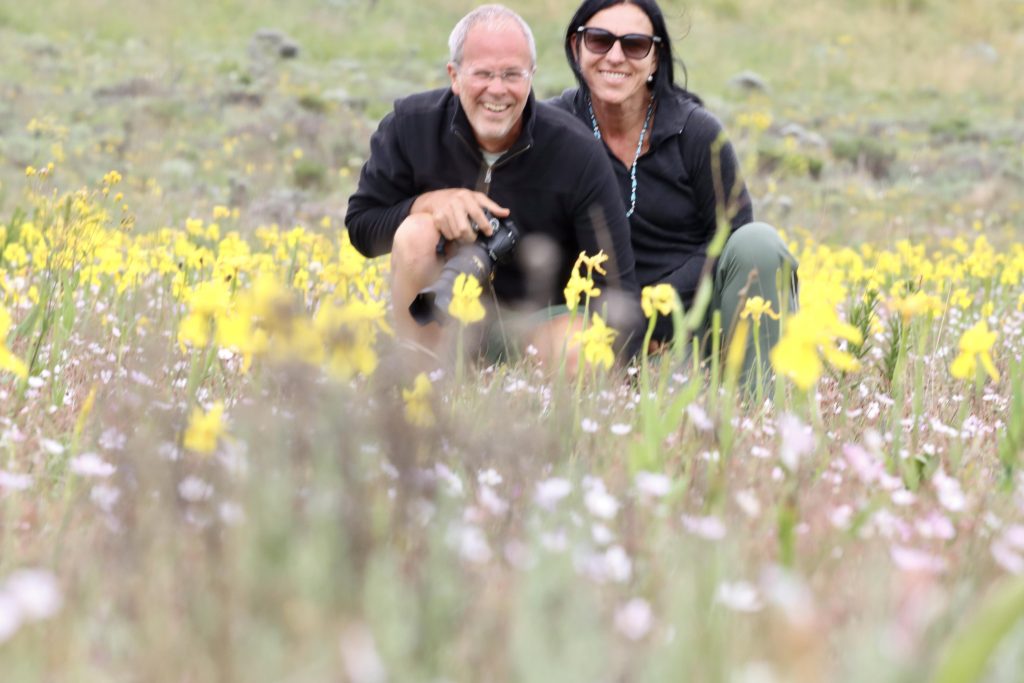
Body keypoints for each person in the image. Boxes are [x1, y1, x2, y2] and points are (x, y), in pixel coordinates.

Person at [345, 4, 639, 368]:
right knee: (416, 231)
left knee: (583, 343)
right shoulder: (411, 126)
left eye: (512, 75)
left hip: (535, 324)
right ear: (454, 76)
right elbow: (361, 227)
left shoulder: (575, 153)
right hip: (440, 316)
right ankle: (419, 374)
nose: (497, 90)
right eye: (482, 74)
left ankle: (532, 401)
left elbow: (619, 291)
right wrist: (428, 204)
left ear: (531, 76)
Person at [552, 0, 798, 372]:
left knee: (759, 242)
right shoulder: (553, 127)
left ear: (655, 58)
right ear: (577, 47)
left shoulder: (696, 132)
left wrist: (657, 301)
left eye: (634, 44)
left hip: (692, 322)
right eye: (600, 40)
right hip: (591, 327)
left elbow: (734, 237)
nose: (615, 56)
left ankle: (757, 404)